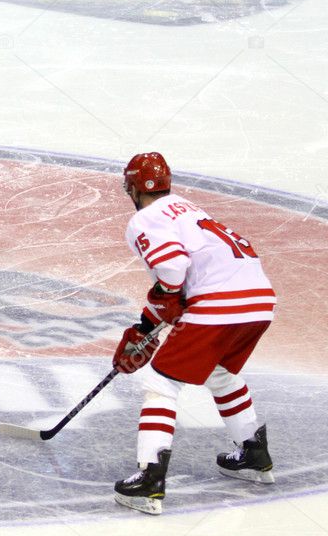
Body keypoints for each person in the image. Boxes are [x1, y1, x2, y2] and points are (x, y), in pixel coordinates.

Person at [111, 152, 277, 515]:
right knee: (221, 372)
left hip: (219, 304)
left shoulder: (145, 218)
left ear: (133, 188)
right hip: (260, 301)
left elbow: (172, 269)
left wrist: (165, 301)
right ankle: (253, 452)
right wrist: (146, 325)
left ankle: (150, 479)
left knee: (161, 382)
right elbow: (178, 287)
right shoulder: (188, 209)